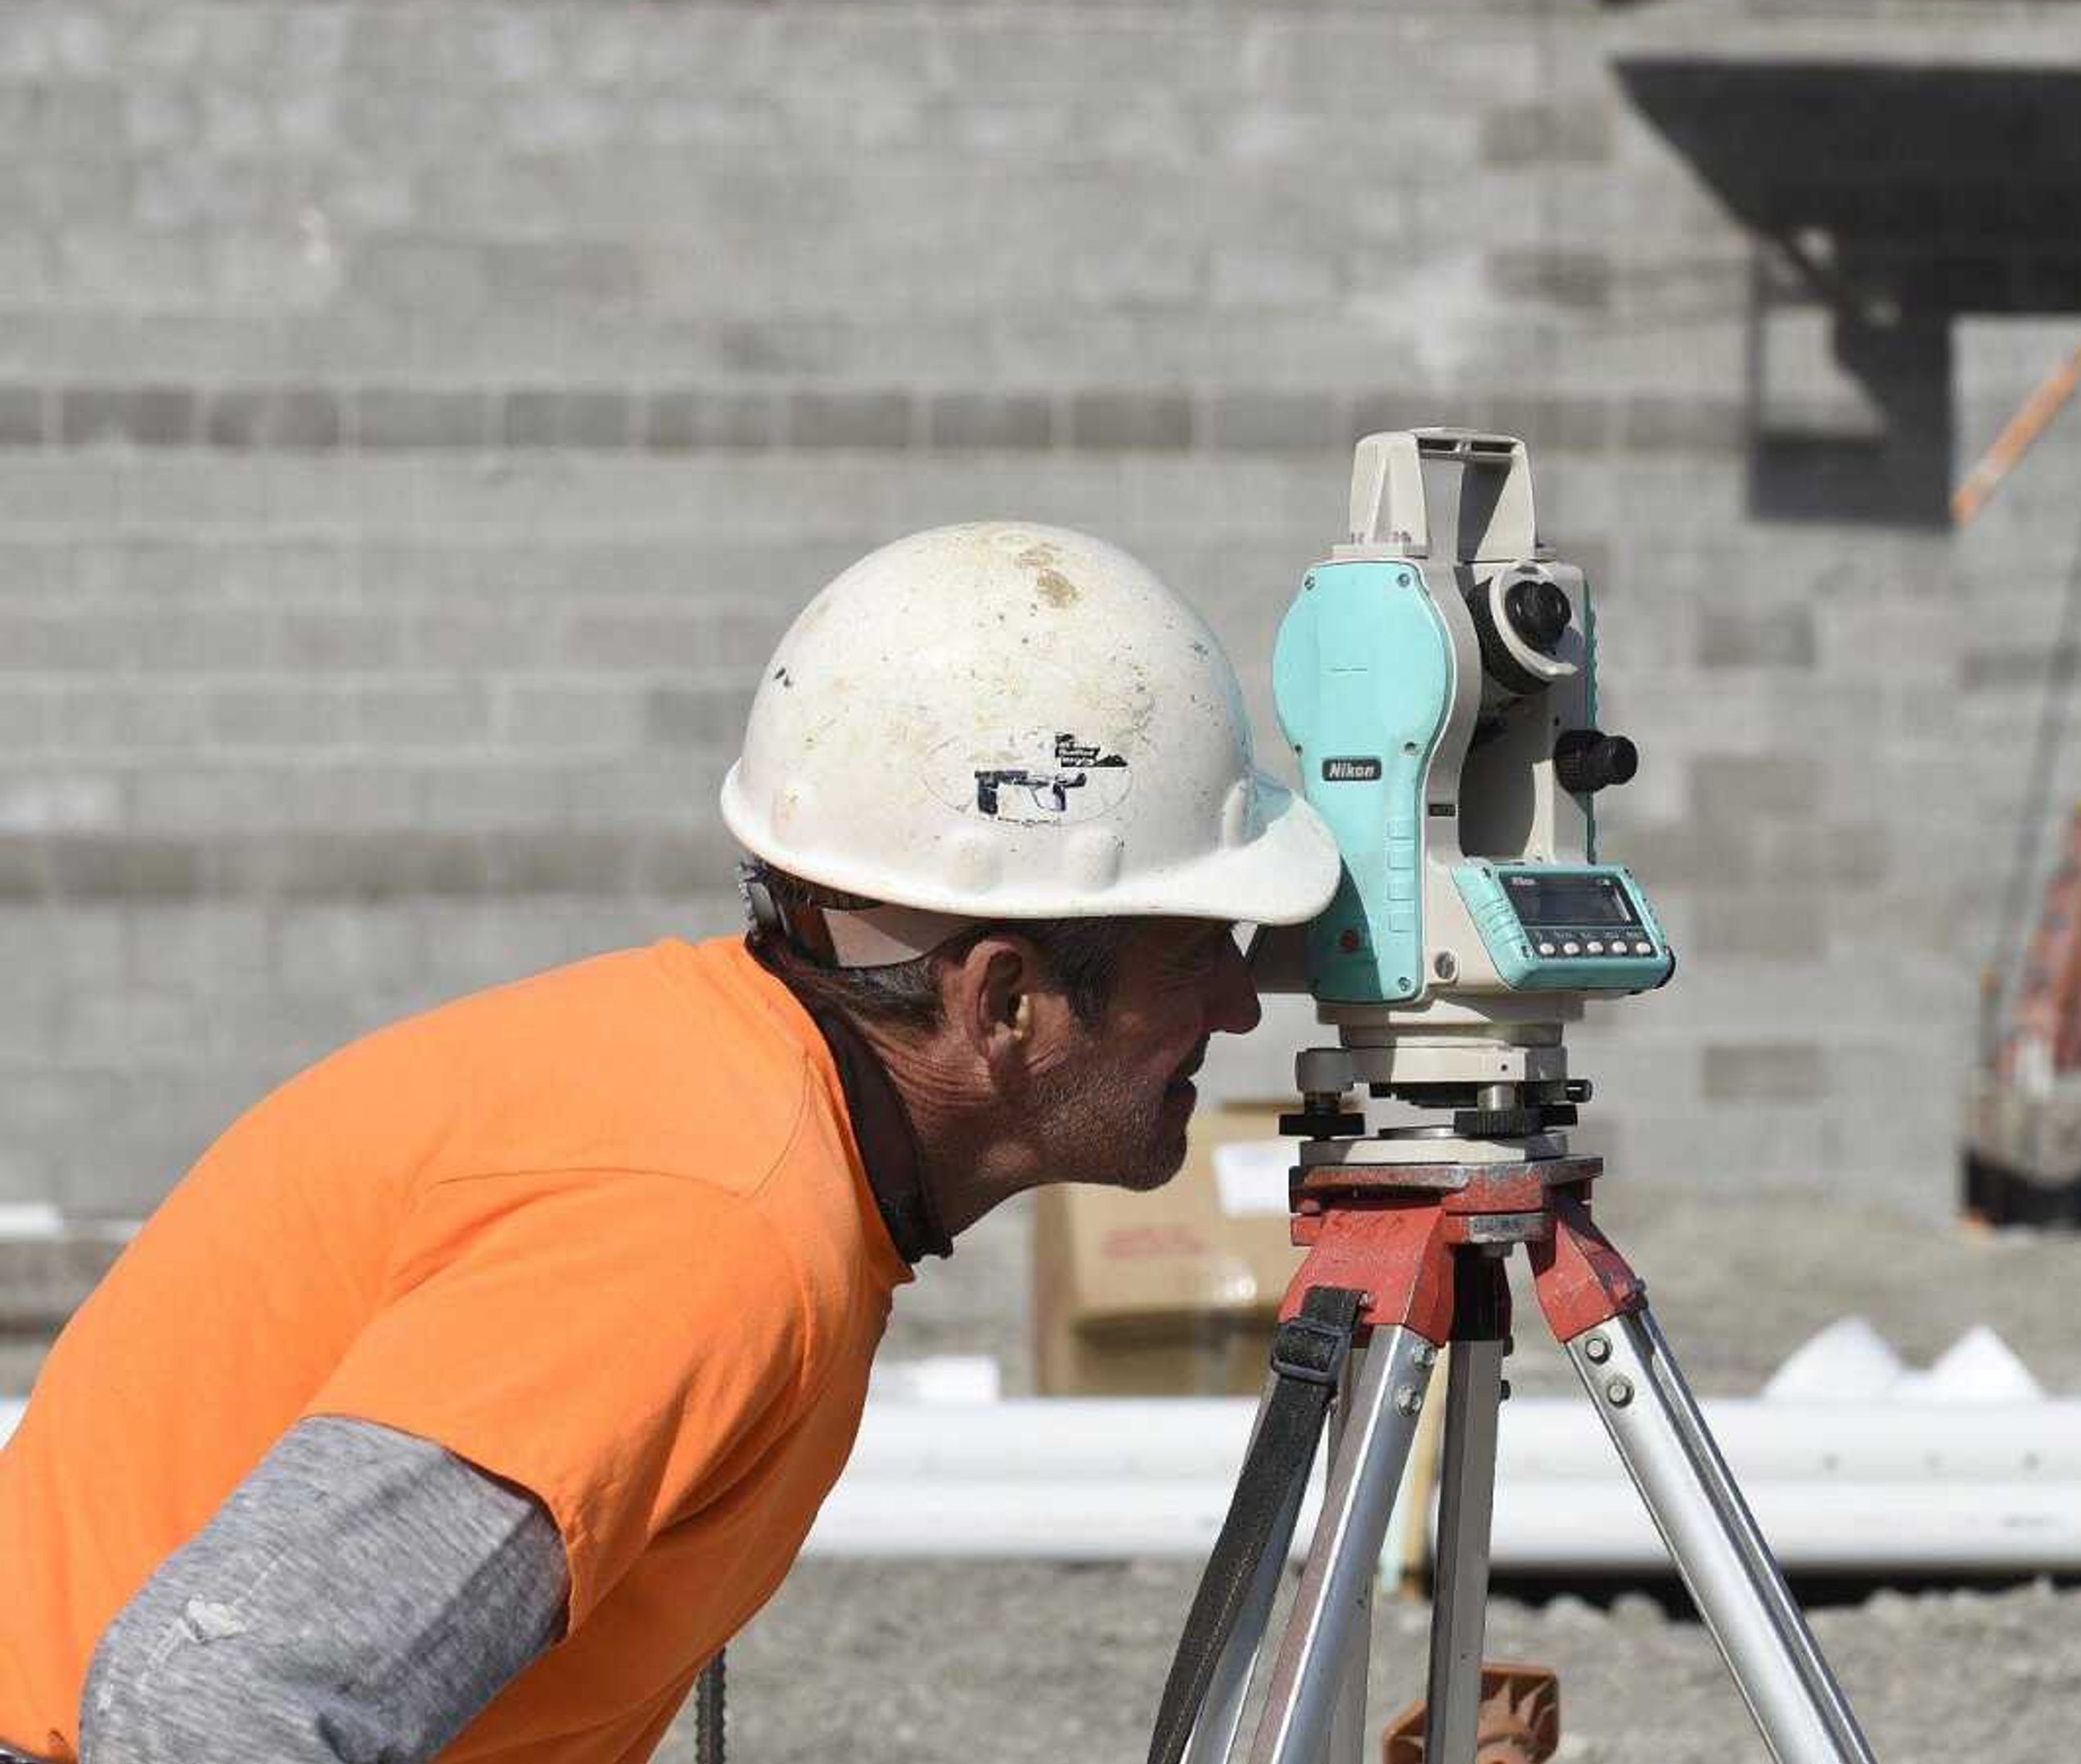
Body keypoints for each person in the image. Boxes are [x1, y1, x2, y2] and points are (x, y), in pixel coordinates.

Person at [0, 523, 1344, 1764]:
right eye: (1197, 951)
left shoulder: (733, 1103)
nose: (1238, 1003)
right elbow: (215, 1705)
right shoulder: (711, 1222)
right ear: (1002, 999)